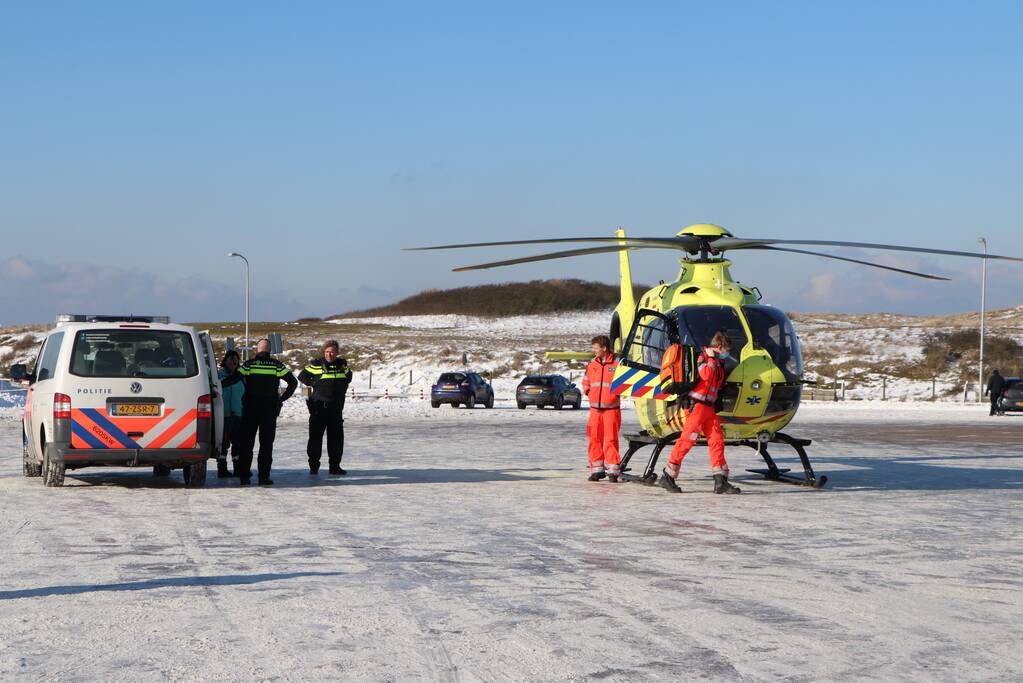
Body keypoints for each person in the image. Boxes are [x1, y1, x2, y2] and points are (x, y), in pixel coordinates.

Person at [658, 331, 740, 494]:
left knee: (717, 440)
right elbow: (705, 376)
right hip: (697, 406)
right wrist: (711, 359)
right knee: (687, 440)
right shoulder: (704, 358)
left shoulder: (717, 363)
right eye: (726, 349)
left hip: (708, 407)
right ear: (719, 347)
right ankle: (668, 476)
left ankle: (720, 480)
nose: (727, 353)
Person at [236, 339, 298, 486]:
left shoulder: (249, 365)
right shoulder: (276, 365)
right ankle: (264, 477)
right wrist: (281, 399)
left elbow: (234, 378)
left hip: (250, 410)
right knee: (266, 445)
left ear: (256, 350)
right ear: (270, 351)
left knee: (246, 444)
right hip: (269, 411)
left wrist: (218, 386)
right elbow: (293, 382)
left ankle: (244, 476)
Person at [298, 340, 353, 475]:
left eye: (333, 351)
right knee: (315, 439)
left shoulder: (341, 365)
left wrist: (343, 367)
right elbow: (301, 376)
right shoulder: (316, 365)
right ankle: (314, 466)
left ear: (337, 352)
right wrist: (314, 382)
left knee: (336, 440)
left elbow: (349, 376)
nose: (330, 354)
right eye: (327, 351)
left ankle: (335, 467)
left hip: (335, 409)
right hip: (318, 409)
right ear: (324, 352)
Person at [582, 335, 621, 482]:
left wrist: (615, 395)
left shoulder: (618, 364)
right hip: (595, 410)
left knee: (611, 439)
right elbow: (586, 381)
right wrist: (588, 392)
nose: (594, 351)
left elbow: (624, 383)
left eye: (596, 348)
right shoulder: (592, 365)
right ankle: (597, 470)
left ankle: (613, 471)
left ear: (604, 348)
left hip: (611, 409)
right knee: (594, 438)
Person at [217, 349, 244, 478]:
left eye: (235, 359)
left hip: (238, 413)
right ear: (225, 360)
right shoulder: (219, 375)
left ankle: (238, 468)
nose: (233, 362)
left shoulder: (242, 376)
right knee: (224, 443)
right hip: (224, 414)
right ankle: (222, 468)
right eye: (230, 359)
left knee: (238, 443)